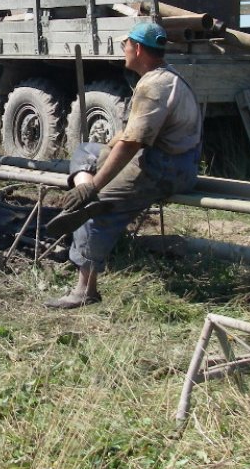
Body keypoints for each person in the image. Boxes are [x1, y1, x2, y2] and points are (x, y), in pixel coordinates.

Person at [44, 21, 202, 309]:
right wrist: (102, 157)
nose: (123, 50)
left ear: (138, 48)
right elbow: (128, 136)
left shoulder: (154, 86)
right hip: (176, 160)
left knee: (99, 208)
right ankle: (84, 194)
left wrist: (94, 186)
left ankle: (84, 290)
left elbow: (133, 145)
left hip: (167, 168)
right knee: (85, 151)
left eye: (125, 45)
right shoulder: (165, 76)